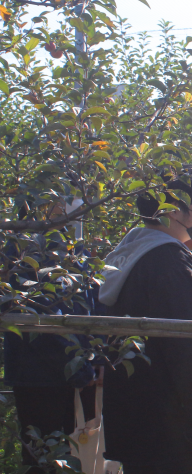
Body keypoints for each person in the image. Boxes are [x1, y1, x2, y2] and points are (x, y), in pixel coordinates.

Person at [100, 167, 192, 473]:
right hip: (179, 436)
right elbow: (191, 352)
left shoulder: (130, 254)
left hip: (140, 427)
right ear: (172, 210)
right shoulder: (171, 264)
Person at [2, 200, 97, 473]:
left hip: (60, 372)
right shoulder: (27, 249)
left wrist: (92, 358)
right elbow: (39, 317)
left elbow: (84, 303)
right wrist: (83, 367)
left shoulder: (64, 244)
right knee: (46, 455)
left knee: (61, 453)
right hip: (41, 374)